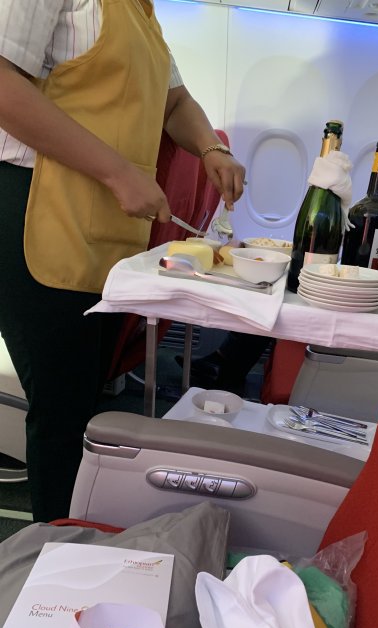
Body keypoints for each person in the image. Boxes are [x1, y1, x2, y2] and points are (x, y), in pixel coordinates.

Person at [0, 0, 246, 522]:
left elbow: (175, 103)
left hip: (104, 230)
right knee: (61, 410)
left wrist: (211, 150)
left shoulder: (141, 13)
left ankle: (80, 539)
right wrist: (118, 172)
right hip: (38, 210)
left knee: (87, 398)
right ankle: (54, 551)